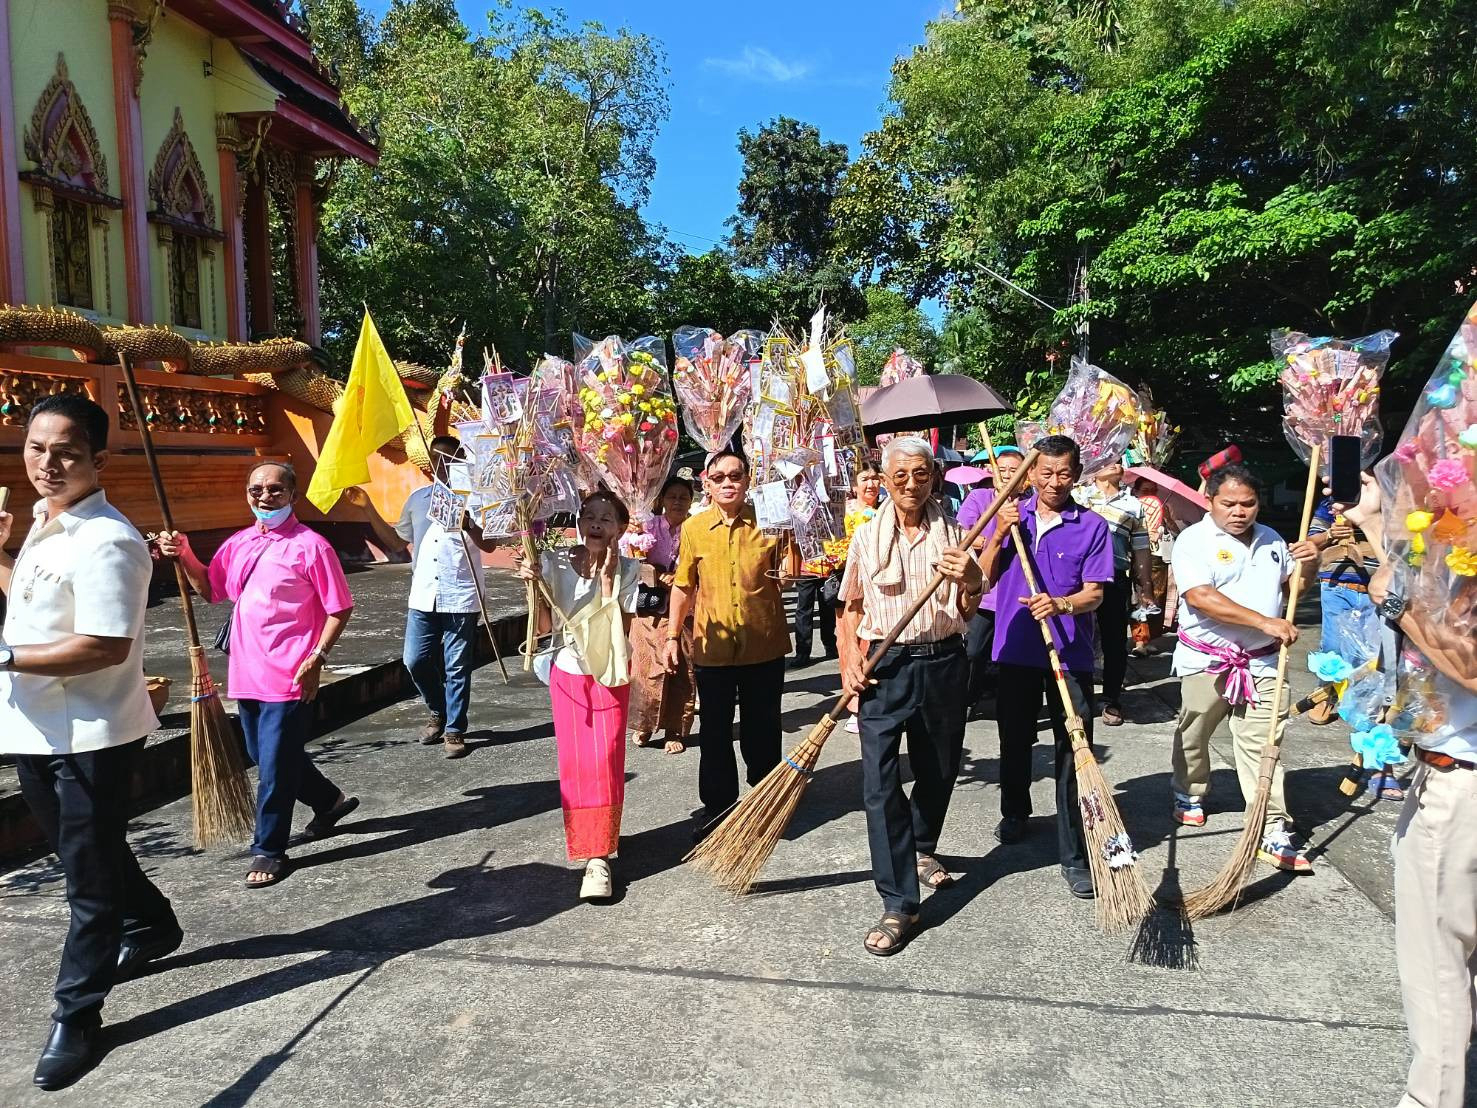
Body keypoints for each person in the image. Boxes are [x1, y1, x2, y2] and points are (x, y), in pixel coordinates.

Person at [0, 395, 180, 1089]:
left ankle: (77, 1014)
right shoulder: (48, 522)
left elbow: (103, 645)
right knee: (89, 850)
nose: (48, 463)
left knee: (86, 878)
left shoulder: (109, 539)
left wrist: (8, 661)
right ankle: (156, 924)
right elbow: (32, 610)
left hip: (90, 735)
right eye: (36, 447)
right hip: (36, 727)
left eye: (66, 451)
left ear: (97, 460)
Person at [1339, 475, 1477, 1108]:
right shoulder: (1446, 554)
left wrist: (1397, 606)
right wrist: (1373, 529)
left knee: (1440, 964)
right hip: (1442, 773)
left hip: (1463, 787)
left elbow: (1470, 664)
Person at [159, 461, 358, 888]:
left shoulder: (311, 547)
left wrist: (317, 657)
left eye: (274, 490)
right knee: (265, 753)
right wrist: (186, 555)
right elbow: (212, 590)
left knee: (274, 766)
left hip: (291, 673)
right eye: (256, 490)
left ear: (293, 495)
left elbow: (339, 607)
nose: (264, 497)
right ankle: (330, 801)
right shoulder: (240, 543)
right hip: (246, 670)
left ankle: (269, 848)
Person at [838, 437, 984, 956]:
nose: (910, 483)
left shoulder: (956, 536)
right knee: (879, 784)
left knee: (939, 768)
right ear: (883, 475)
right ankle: (900, 901)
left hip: (944, 661)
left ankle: (922, 845)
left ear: (933, 475)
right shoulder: (865, 537)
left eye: (920, 473)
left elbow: (968, 608)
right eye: (900, 474)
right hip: (886, 664)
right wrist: (850, 663)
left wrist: (971, 578)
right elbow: (850, 607)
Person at [978, 435, 1113, 899]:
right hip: (1016, 647)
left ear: (1076, 475)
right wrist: (998, 532)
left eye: (1064, 473)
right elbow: (983, 575)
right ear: (1032, 473)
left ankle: (1075, 851)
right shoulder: (1012, 517)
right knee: (1013, 737)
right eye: (1046, 472)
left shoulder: (1093, 525)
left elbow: (1095, 593)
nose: (1054, 482)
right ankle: (1015, 810)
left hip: (1069, 652)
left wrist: (1060, 604)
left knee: (1074, 748)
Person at [1166, 463, 1318, 872]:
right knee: (1195, 730)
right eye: (1228, 503)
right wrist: (1261, 620)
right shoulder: (1192, 540)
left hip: (1264, 660)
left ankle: (1270, 825)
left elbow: (1294, 590)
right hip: (1208, 658)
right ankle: (1190, 790)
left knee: (1263, 741)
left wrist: (1311, 564)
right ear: (1210, 501)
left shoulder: (1271, 539)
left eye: (1247, 503)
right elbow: (1199, 596)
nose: (1239, 511)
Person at [517, 490, 638, 900]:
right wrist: (534, 588)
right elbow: (545, 626)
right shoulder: (552, 563)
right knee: (575, 765)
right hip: (567, 673)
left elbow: (619, 629)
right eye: (589, 515)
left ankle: (601, 855)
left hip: (608, 675)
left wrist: (607, 583)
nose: (596, 523)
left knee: (604, 761)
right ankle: (590, 850)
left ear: (621, 528)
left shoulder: (631, 570)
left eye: (607, 517)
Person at [665, 448, 790, 834]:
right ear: (707, 483)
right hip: (712, 647)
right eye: (718, 478)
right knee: (715, 731)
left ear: (747, 481)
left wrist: (800, 538)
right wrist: (672, 636)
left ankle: (765, 802)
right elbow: (684, 586)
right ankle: (718, 805)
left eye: (735, 476)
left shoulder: (771, 521)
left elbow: (791, 573)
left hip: (763, 643)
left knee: (763, 728)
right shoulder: (694, 528)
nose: (727, 483)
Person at [351, 434, 494, 759]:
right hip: (423, 595)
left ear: (460, 461)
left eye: (450, 459)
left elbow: (490, 546)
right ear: (429, 463)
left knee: (457, 666)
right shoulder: (418, 499)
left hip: (460, 595)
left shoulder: (475, 499)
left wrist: (468, 524)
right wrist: (367, 507)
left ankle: (455, 729)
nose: (443, 465)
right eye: (437, 459)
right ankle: (437, 709)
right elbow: (397, 543)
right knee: (414, 660)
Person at [1076, 458, 1156, 725]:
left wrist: (1145, 584)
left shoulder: (1133, 504)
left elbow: (1141, 548)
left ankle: (1110, 699)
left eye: (1119, 461)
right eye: (1108, 460)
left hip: (1114, 579)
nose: (1115, 464)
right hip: (1077, 581)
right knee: (1078, 638)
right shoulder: (1078, 496)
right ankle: (1080, 696)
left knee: (1114, 641)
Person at [1302, 494, 1382, 731]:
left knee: (1370, 652)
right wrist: (1330, 535)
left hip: (1375, 587)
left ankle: (1367, 704)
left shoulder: (1387, 501)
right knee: (1333, 646)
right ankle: (1325, 694)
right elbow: (1310, 541)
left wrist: (1370, 526)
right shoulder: (1331, 503)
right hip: (1336, 584)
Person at [628, 477, 696, 753]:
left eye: (683, 497)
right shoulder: (647, 527)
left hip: (686, 609)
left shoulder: (697, 528)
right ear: (662, 500)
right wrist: (652, 570)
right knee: (645, 668)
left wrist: (680, 576)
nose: (677, 502)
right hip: (650, 608)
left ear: (691, 501)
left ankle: (675, 730)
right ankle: (644, 724)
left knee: (681, 670)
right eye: (672, 497)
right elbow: (631, 560)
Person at [958, 445, 1025, 714]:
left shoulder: (1030, 504)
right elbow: (963, 536)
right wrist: (988, 541)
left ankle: (1008, 704)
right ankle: (965, 698)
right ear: (993, 473)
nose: (1007, 475)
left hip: (1016, 592)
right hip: (984, 591)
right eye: (1003, 470)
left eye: (1014, 470)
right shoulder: (980, 498)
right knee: (973, 651)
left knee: (1012, 655)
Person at [1129, 477, 1179, 654]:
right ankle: (1140, 641)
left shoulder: (1163, 508)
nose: (1150, 494)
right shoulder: (1131, 508)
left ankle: (1150, 638)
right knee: (1139, 600)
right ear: (1136, 491)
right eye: (1146, 491)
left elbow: (1176, 533)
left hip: (1158, 559)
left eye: (1154, 491)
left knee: (1157, 600)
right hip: (1136, 559)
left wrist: (1167, 519)